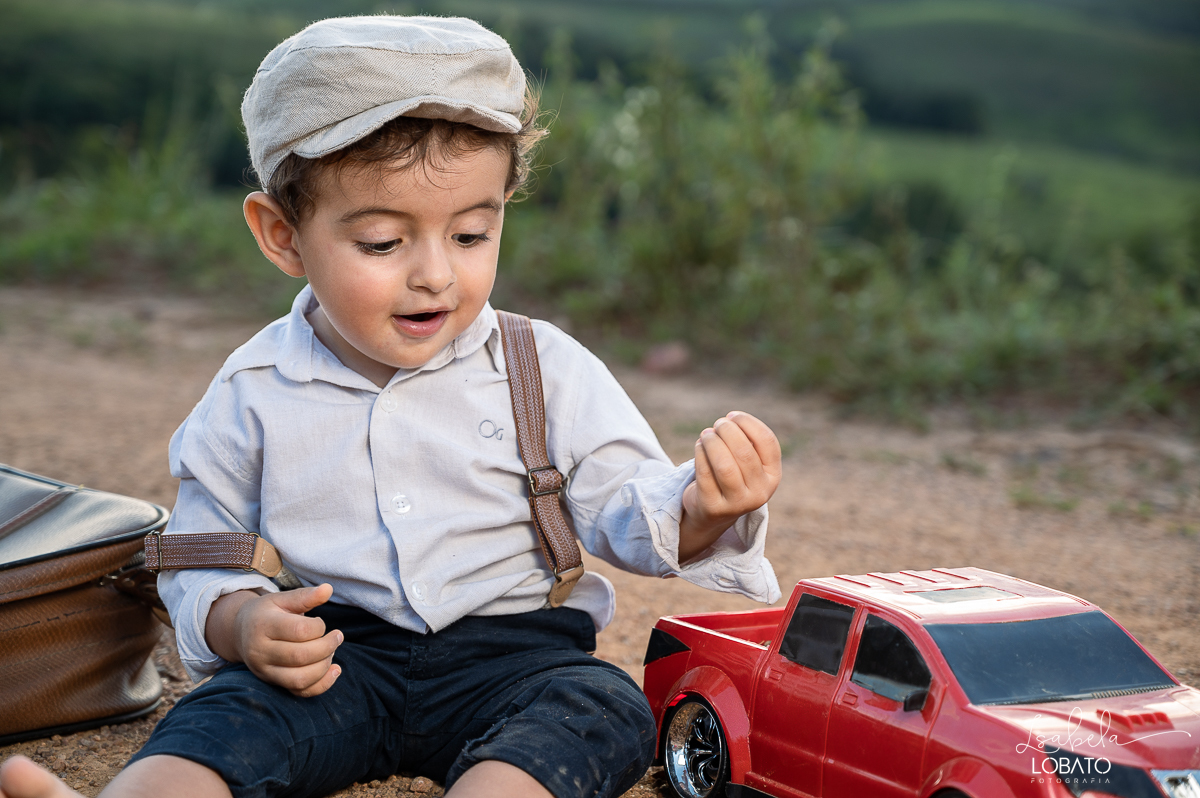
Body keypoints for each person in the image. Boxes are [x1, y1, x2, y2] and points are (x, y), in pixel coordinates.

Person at [0, 15, 781, 798]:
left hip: (517, 659)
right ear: (283, 236)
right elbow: (205, 545)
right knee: (221, 721)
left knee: (599, 708)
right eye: (381, 243)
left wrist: (701, 508)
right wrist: (241, 624)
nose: (436, 275)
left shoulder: (538, 365)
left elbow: (622, 505)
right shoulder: (254, 388)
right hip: (334, 659)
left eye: (472, 234)